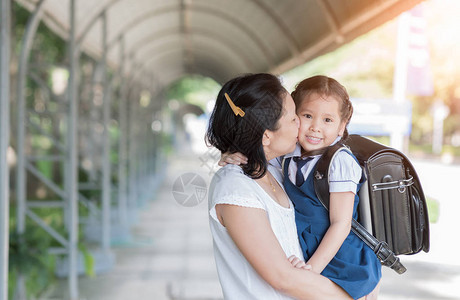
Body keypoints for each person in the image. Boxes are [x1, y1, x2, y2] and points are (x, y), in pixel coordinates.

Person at [220, 75, 382, 300]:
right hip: (310, 253)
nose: (315, 128)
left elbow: (341, 223)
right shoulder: (289, 154)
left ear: (342, 126)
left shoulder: (340, 161)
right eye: (306, 116)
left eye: (327, 120)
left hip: (339, 258)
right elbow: (259, 153)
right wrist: (233, 154)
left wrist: (311, 269)